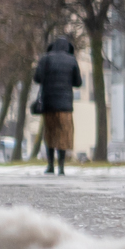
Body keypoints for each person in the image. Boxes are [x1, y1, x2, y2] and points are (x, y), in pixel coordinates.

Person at [32, 34, 84, 175]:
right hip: (65, 105)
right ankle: (61, 166)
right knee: (63, 134)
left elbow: (37, 78)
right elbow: (78, 82)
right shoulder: (71, 60)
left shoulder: (45, 59)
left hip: (48, 103)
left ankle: (50, 165)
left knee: (50, 133)